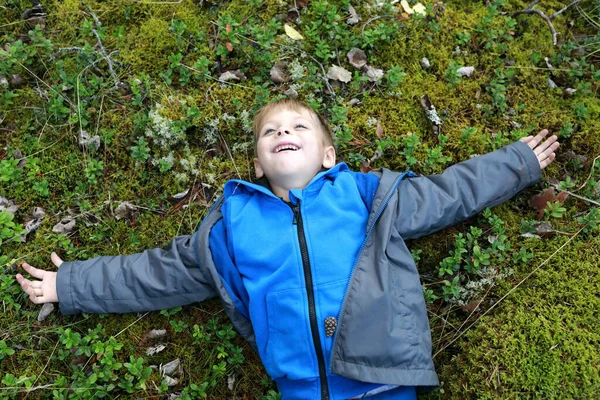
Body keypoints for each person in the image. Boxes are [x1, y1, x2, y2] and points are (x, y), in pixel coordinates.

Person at [16, 99, 559, 399]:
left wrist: (519, 163)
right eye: (269, 131)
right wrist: (71, 284)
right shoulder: (229, 227)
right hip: (299, 387)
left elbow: (449, 193)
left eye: (298, 126)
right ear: (256, 164)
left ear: (327, 154)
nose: (282, 132)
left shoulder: (366, 196)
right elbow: (159, 274)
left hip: (385, 380)